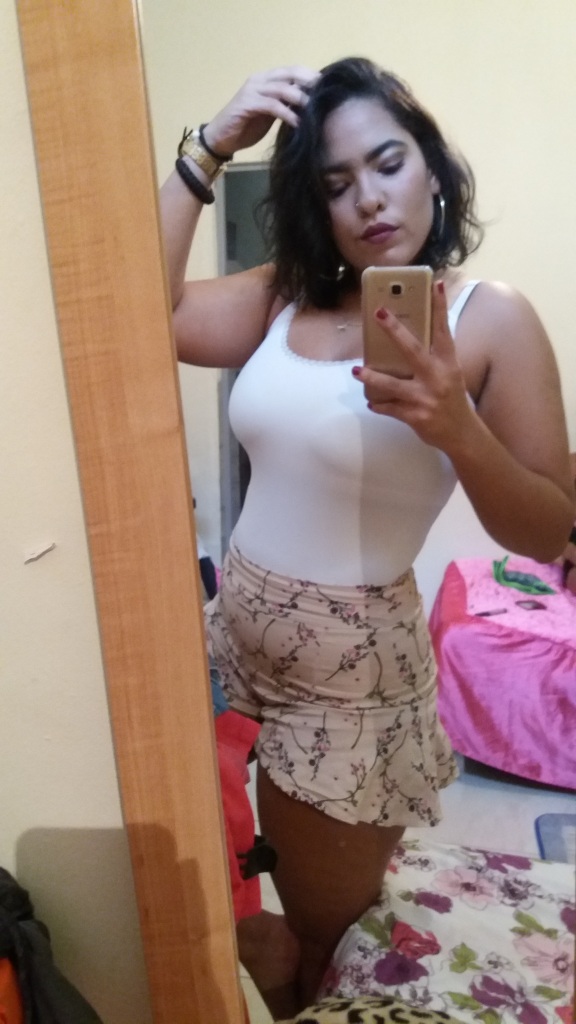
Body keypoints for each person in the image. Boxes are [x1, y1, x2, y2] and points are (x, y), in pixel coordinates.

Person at [159, 59, 575, 1017]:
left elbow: (549, 524)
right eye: (336, 182)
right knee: (212, 876)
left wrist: (457, 428)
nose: (369, 199)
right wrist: (207, 150)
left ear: (431, 164)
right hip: (232, 636)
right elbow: (147, 317)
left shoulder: (490, 317)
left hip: (348, 686)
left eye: (387, 163)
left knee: (326, 934)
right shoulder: (287, 295)